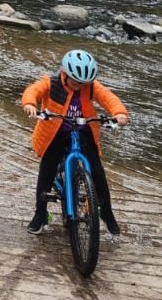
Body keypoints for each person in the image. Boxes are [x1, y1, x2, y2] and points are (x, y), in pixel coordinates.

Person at [21, 49, 128, 236]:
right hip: (56, 131)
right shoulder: (52, 83)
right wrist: (30, 103)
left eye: (84, 83)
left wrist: (119, 113)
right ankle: (40, 214)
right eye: (76, 81)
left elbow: (108, 97)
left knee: (97, 171)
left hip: (83, 130)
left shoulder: (91, 86)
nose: (80, 86)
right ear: (65, 73)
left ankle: (106, 212)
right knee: (47, 170)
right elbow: (34, 90)